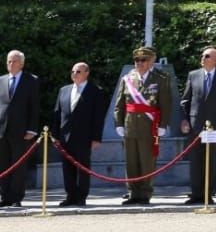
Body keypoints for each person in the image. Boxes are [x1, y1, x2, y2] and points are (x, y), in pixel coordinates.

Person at [110, 46, 172, 205]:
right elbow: (119, 104)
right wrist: (119, 123)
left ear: (151, 61)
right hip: (130, 125)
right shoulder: (127, 78)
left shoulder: (161, 78)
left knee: (147, 161)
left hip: (149, 126)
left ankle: (145, 193)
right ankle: (132, 193)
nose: (139, 63)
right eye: (137, 60)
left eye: (143, 60)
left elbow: (165, 104)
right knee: (131, 162)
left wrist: (163, 125)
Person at [179, 45, 216, 205]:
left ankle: (208, 193)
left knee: (212, 161)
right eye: (203, 55)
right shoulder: (193, 75)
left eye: (207, 56)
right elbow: (185, 100)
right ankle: (196, 193)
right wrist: (184, 119)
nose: (203, 58)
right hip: (195, 125)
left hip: (215, 126)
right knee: (196, 160)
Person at [50, 62, 107, 207]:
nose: (74, 74)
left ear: (87, 73)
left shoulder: (96, 91)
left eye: (78, 71)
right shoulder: (64, 90)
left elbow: (98, 117)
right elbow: (57, 114)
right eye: (73, 71)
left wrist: (96, 138)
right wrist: (55, 136)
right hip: (65, 137)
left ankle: (81, 196)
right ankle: (70, 196)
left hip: (84, 137)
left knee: (82, 168)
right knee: (67, 168)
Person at [0, 50, 41, 206]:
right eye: (9, 61)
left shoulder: (31, 80)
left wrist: (32, 129)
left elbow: (34, 106)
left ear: (22, 63)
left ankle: (16, 198)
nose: (11, 64)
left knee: (18, 165)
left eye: (14, 61)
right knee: (3, 165)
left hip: (21, 131)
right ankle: (5, 197)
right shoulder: (1, 80)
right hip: (2, 130)